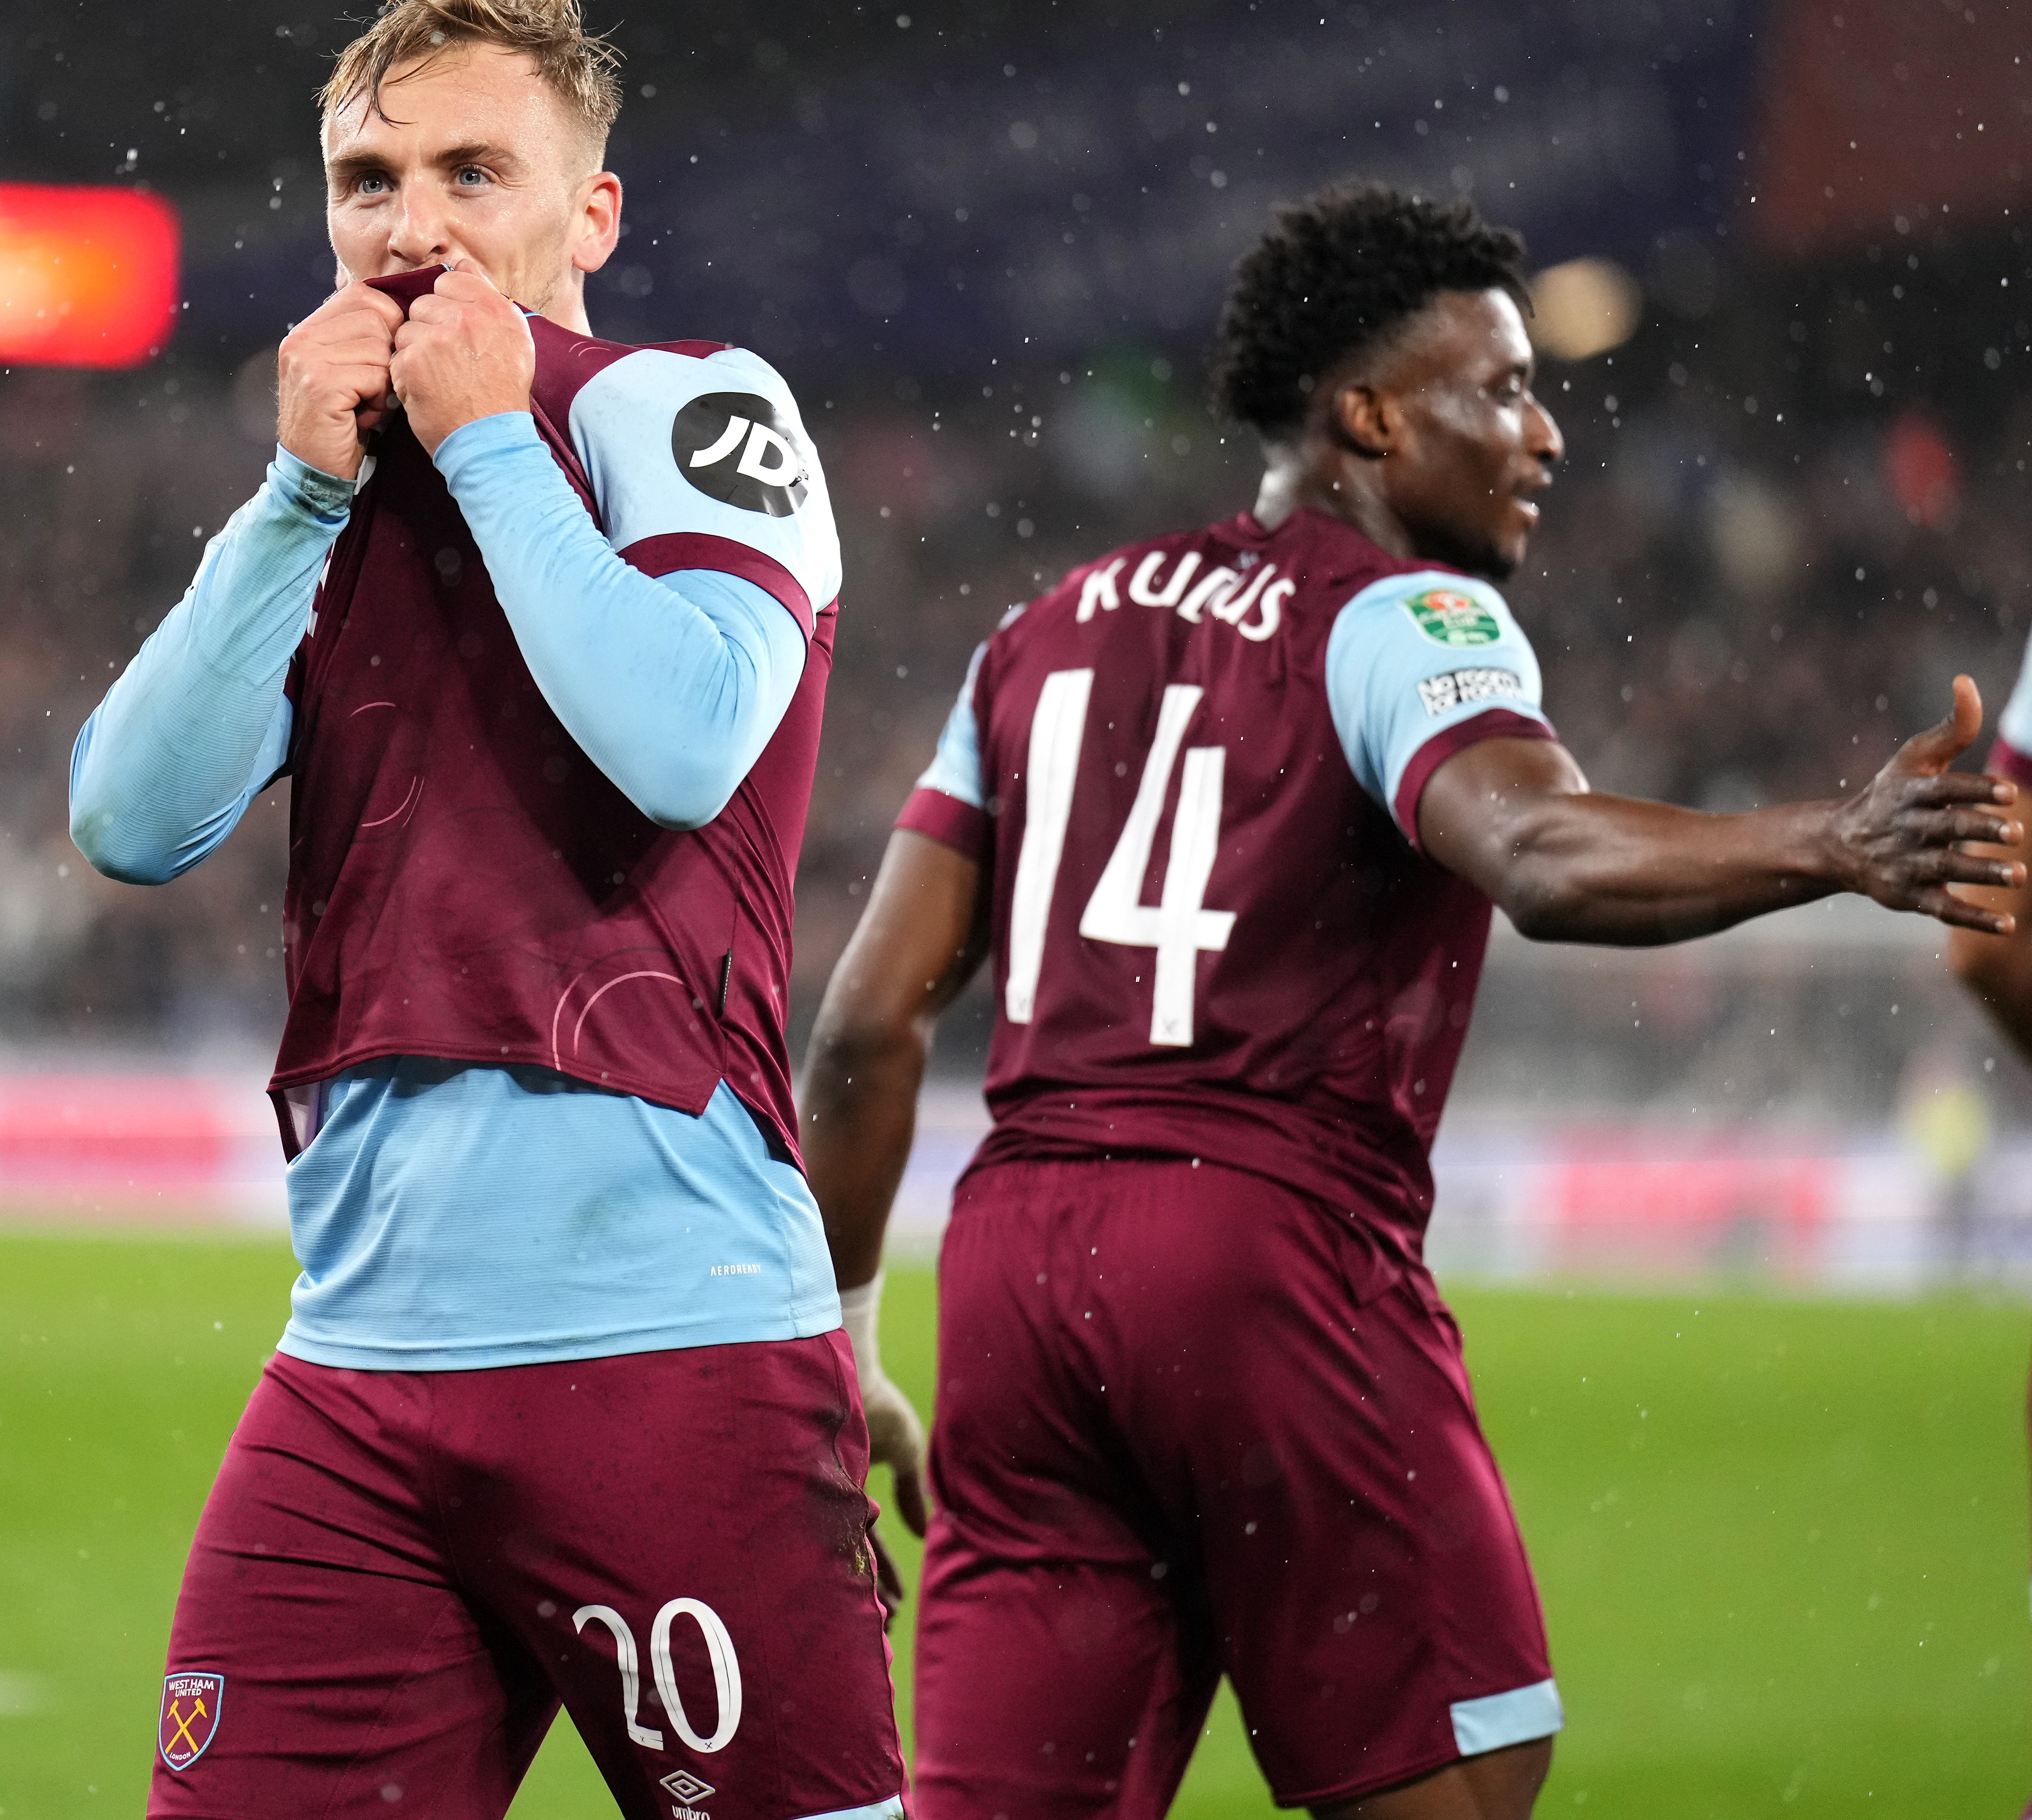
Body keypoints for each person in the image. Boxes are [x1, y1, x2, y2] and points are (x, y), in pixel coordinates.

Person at [794, 182, 2018, 1820]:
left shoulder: (1040, 629)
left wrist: (847, 1340)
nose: (1543, 436)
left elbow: (867, 1026)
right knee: (1460, 1770)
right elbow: (1535, 854)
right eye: (1500, 390)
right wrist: (1833, 836)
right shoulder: (1407, 616)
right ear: (1363, 415)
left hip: (1017, 1275)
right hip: (1263, 1250)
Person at [70, 0, 904, 1820]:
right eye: (368, 181)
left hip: (668, 1347)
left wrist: (487, 443)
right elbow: (128, 818)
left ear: (587, 210)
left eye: (472, 174)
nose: (410, 223)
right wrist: (294, 496)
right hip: (356, 1366)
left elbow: (686, 735)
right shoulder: (331, 487)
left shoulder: (692, 409)